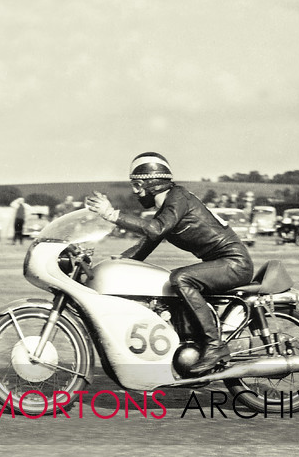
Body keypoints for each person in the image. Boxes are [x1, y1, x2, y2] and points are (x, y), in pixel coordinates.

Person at [86, 152, 254, 374]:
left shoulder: (178, 199)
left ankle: (214, 347)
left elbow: (154, 230)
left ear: (153, 183)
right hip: (220, 263)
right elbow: (149, 241)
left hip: (234, 263)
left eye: (137, 185)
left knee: (181, 278)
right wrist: (122, 262)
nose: (135, 192)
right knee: (167, 284)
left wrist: (111, 214)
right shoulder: (169, 205)